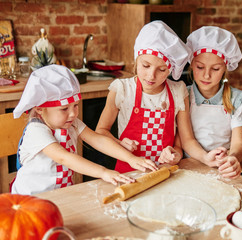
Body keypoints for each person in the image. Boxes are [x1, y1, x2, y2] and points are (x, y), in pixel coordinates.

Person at [96, 21, 226, 173]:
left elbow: (185, 140)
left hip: (165, 172)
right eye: (145, 66)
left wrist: (177, 155)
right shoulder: (123, 89)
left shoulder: (178, 91)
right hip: (129, 171)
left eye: (162, 70)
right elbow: (101, 132)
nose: (151, 76)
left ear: (170, 70)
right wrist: (119, 143)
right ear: (136, 60)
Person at [11, 64, 158, 195]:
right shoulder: (36, 131)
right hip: (31, 199)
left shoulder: (71, 123)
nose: (73, 113)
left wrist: (130, 158)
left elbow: (97, 140)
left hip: (61, 195)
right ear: (40, 109)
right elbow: (64, 158)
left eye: (75, 106)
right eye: (64, 109)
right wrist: (103, 172)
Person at [186, 26, 242, 179]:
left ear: (225, 68)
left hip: (221, 168)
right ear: (191, 64)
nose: (206, 75)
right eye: (200, 67)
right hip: (188, 166)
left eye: (216, 69)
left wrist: (233, 159)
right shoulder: (183, 96)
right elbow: (184, 139)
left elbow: (238, 144)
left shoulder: (238, 100)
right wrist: (204, 157)